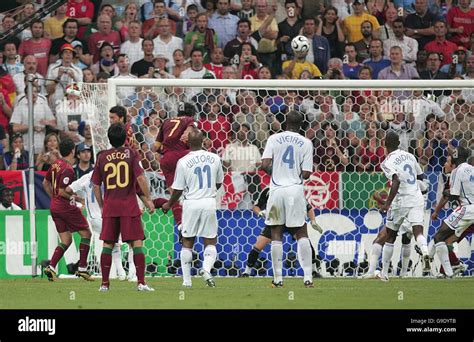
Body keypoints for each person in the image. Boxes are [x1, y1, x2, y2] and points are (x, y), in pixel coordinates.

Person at [91, 124, 155, 292]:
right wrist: (148, 199)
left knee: (108, 244)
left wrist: (102, 205)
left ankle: (104, 284)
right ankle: (141, 283)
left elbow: (96, 185)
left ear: (109, 138)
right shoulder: (131, 154)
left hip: (110, 207)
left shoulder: (102, 157)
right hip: (128, 206)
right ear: (125, 139)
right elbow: (140, 179)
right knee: (136, 243)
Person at [162, 129, 224, 288]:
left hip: (190, 204)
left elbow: (178, 190)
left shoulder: (183, 161)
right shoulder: (215, 158)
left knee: (187, 241)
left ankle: (187, 281)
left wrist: (169, 204)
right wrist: (209, 191)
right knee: (210, 240)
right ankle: (205, 269)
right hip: (209, 202)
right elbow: (218, 183)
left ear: (187, 143)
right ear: (203, 140)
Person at [261, 110, 314, 288]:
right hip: (295, 191)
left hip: (276, 190)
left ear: (285, 123)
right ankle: (308, 278)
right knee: (301, 232)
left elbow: (264, 164)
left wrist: (277, 172)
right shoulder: (306, 143)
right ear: (301, 125)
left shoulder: (273, 139)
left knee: (276, 232)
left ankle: (278, 279)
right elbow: (306, 174)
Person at [375, 131, 430, 281]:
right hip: (417, 197)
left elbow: (396, 181)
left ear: (385, 144)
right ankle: (425, 252)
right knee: (418, 231)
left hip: (401, 201)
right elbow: (420, 177)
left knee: (390, 236)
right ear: (399, 143)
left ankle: (385, 273)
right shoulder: (410, 156)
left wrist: (387, 203)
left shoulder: (387, 162)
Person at [240, 185, 323, 277]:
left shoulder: (294, 190)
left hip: (292, 221)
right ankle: (246, 272)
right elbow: (256, 206)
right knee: (258, 245)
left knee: (305, 243)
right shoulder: (268, 190)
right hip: (275, 221)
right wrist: (260, 213)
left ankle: (313, 271)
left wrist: (313, 221)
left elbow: (308, 207)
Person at [43, 138, 93, 282]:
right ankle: (82, 269)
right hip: (66, 207)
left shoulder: (55, 165)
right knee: (86, 234)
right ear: (73, 151)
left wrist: (53, 198)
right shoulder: (68, 169)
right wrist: (80, 200)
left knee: (66, 239)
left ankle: (51, 267)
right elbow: (63, 191)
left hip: (55, 207)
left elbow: (45, 183)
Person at [66, 170, 128, 281]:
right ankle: (121, 272)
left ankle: (119, 272)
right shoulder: (111, 175)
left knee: (113, 241)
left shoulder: (86, 177)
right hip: (105, 215)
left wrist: (79, 200)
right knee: (114, 241)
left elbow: (69, 189)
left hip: (95, 218)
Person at [154, 103, 197, 230]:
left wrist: (165, 151)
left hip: (167, 159)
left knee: (174, 195)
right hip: (184, 157)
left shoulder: (166, 121)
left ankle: (180, 225)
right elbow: (189, 132)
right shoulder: (189, 120)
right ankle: (191, 225)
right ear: (192, 113)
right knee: (192, 193)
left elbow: (155, 147)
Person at [433, 146, 473, 278]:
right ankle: (450, 268)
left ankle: (449, 272)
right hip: (469, 209)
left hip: (467, 209)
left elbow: (454, 196)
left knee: (439, 237)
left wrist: (446, 192)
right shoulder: (472, 169)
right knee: (448, 241)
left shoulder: (457, 170)